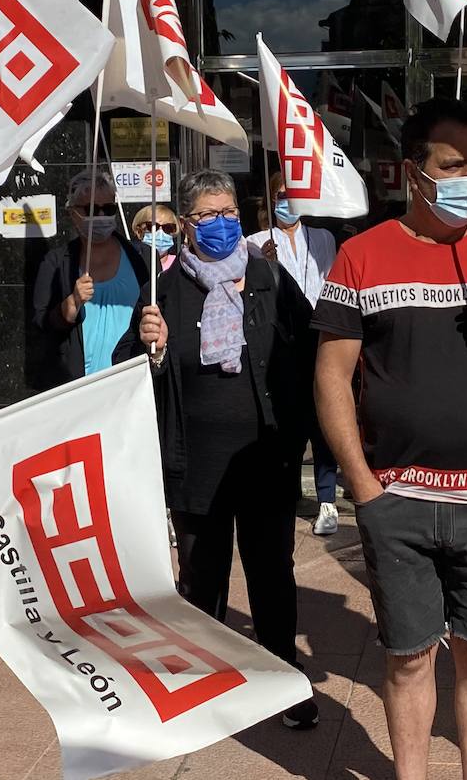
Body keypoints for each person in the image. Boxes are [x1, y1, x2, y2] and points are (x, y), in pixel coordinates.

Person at [312, 97, 467, 779]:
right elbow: (332, 377)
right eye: (453, 165)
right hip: (396, 497)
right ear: (411, 172)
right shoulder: (360, 255)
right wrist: (363, 486)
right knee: (407, 656)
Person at [117, 168, 321, 730]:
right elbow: (123, 373)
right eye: (209, 216)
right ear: (185, 224)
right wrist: (147, 346)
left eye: (230, 213)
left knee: (271, 575)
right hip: (196, 460)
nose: (223, 224)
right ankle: (205, 683)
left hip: (265, 457)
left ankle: (284, 679)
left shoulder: (269, 278)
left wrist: (305, 431)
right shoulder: (162, 291)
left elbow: (311, 348)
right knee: (201, 579)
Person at [247, 172, 342, 536]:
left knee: (324, 420)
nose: (287, 202)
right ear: (270, 200)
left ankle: (327, 499)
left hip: (318, 338)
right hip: (280, 343)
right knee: (288, 421)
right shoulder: (254, 242)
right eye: (281, 195)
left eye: (294, 195)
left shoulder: (323, 238)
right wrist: (265, 264)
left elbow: (330, 282)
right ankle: (284, 495)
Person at [32, 170, 150, 385]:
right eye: (92, 209)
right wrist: (71, 303)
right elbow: (42, 324)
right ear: (72, 213)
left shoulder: (143, 257)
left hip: (135, 379)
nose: (101, 216)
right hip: (80, 384)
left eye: (108, 209)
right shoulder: (56, 262)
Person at [132, 203, 180, 271]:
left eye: (168, 228)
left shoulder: (179, 265)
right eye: (152, 227)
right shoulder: (132, 265)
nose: (160, 233)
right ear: (139, 232)